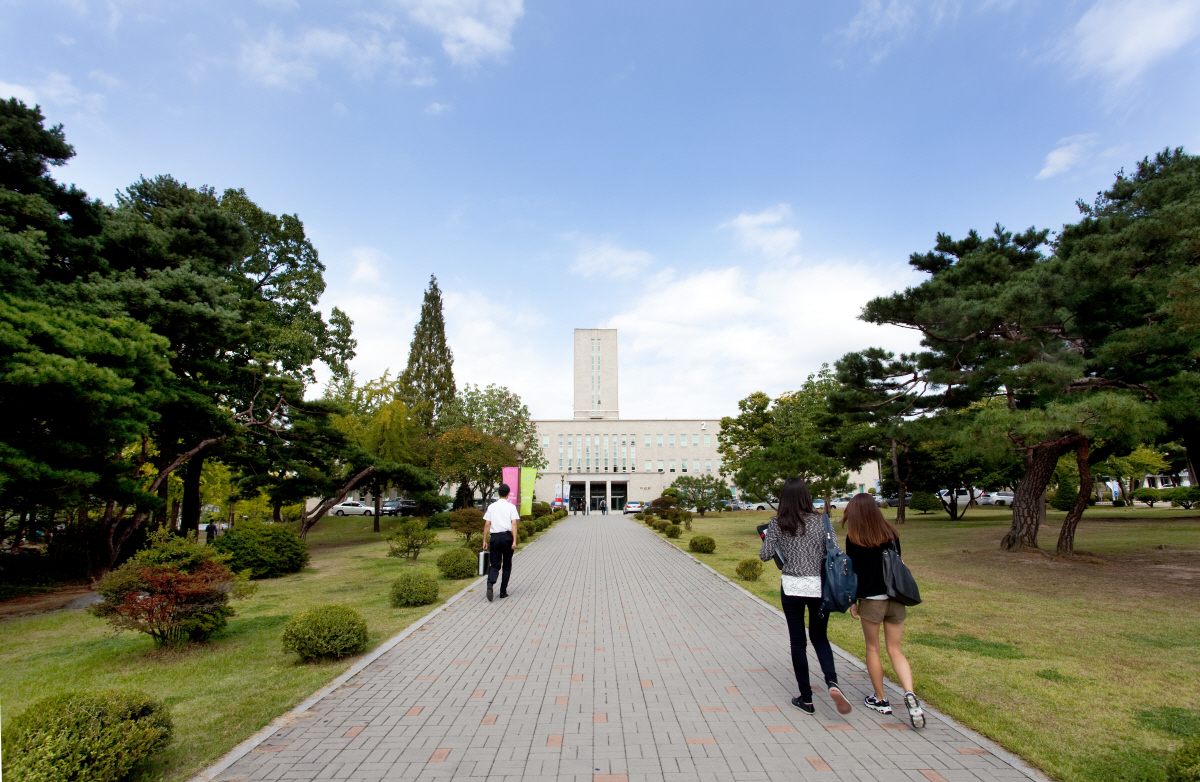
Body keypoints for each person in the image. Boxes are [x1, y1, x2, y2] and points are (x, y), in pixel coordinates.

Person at [759, 477, 851, 716]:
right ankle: (832, 682)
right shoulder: (822, 521)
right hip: (819, 586)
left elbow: (765, 555)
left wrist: (769, 537)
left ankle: (806, 699)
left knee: (798, 643)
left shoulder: (778, 522)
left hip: (792, 586)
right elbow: (836, 551)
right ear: (806, 496)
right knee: (820, 637)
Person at [842, 493, 925, 728]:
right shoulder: (891, 534)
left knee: (873, 648)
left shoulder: (854, 537)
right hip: (896, 597)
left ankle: (881, 699)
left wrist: (853, 601)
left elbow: (853, 572)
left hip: (872, 599)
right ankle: (910, 694)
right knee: (895, 649)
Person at [482, 483, 521, 602]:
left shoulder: (492, 507)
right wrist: (514, 540)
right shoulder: (511, 507)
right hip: (507, 537)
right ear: (509, 494)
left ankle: (490, 582)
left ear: (498, 493)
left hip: (495, 537)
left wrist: (484, 540)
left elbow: (487, 524)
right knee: (507, 565)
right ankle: (503, 591)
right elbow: (514, 523)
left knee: (494, 564)